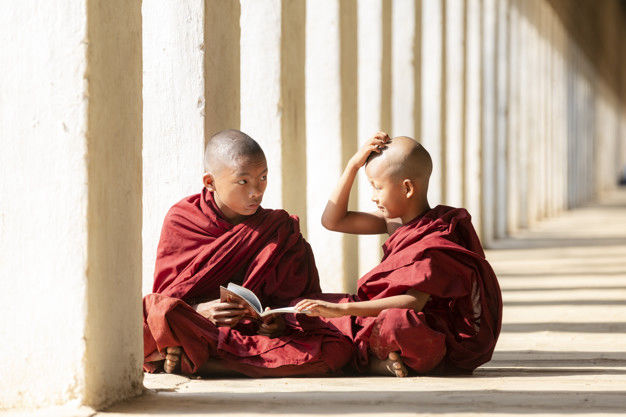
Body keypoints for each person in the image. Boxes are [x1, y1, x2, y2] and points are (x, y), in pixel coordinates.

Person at [143, 129, 352, 377]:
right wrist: (201, 310)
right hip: (204, 327)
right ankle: (208, 356)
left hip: (255, 336)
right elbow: (168, 294)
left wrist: (278, 322)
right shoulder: (184, 218)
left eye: (263, 177)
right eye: (243, 181)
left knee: (337, 343)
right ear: (210, 182)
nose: (257, 191)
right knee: (155, 311)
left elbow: (298, 299)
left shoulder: (278, 228)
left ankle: (204, 361)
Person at [295, 132, 502, 377]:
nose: (373, 197)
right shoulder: (395, 221)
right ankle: (380, 360)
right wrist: (353, 165)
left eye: (377, 187)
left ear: (406, 188)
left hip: (438, 337)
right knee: (310, 307)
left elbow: (413, 303)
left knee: (395, 323)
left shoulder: (435, 238)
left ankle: (377, 358)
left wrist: (342, 311)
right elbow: (332, 221)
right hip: (395, 320)